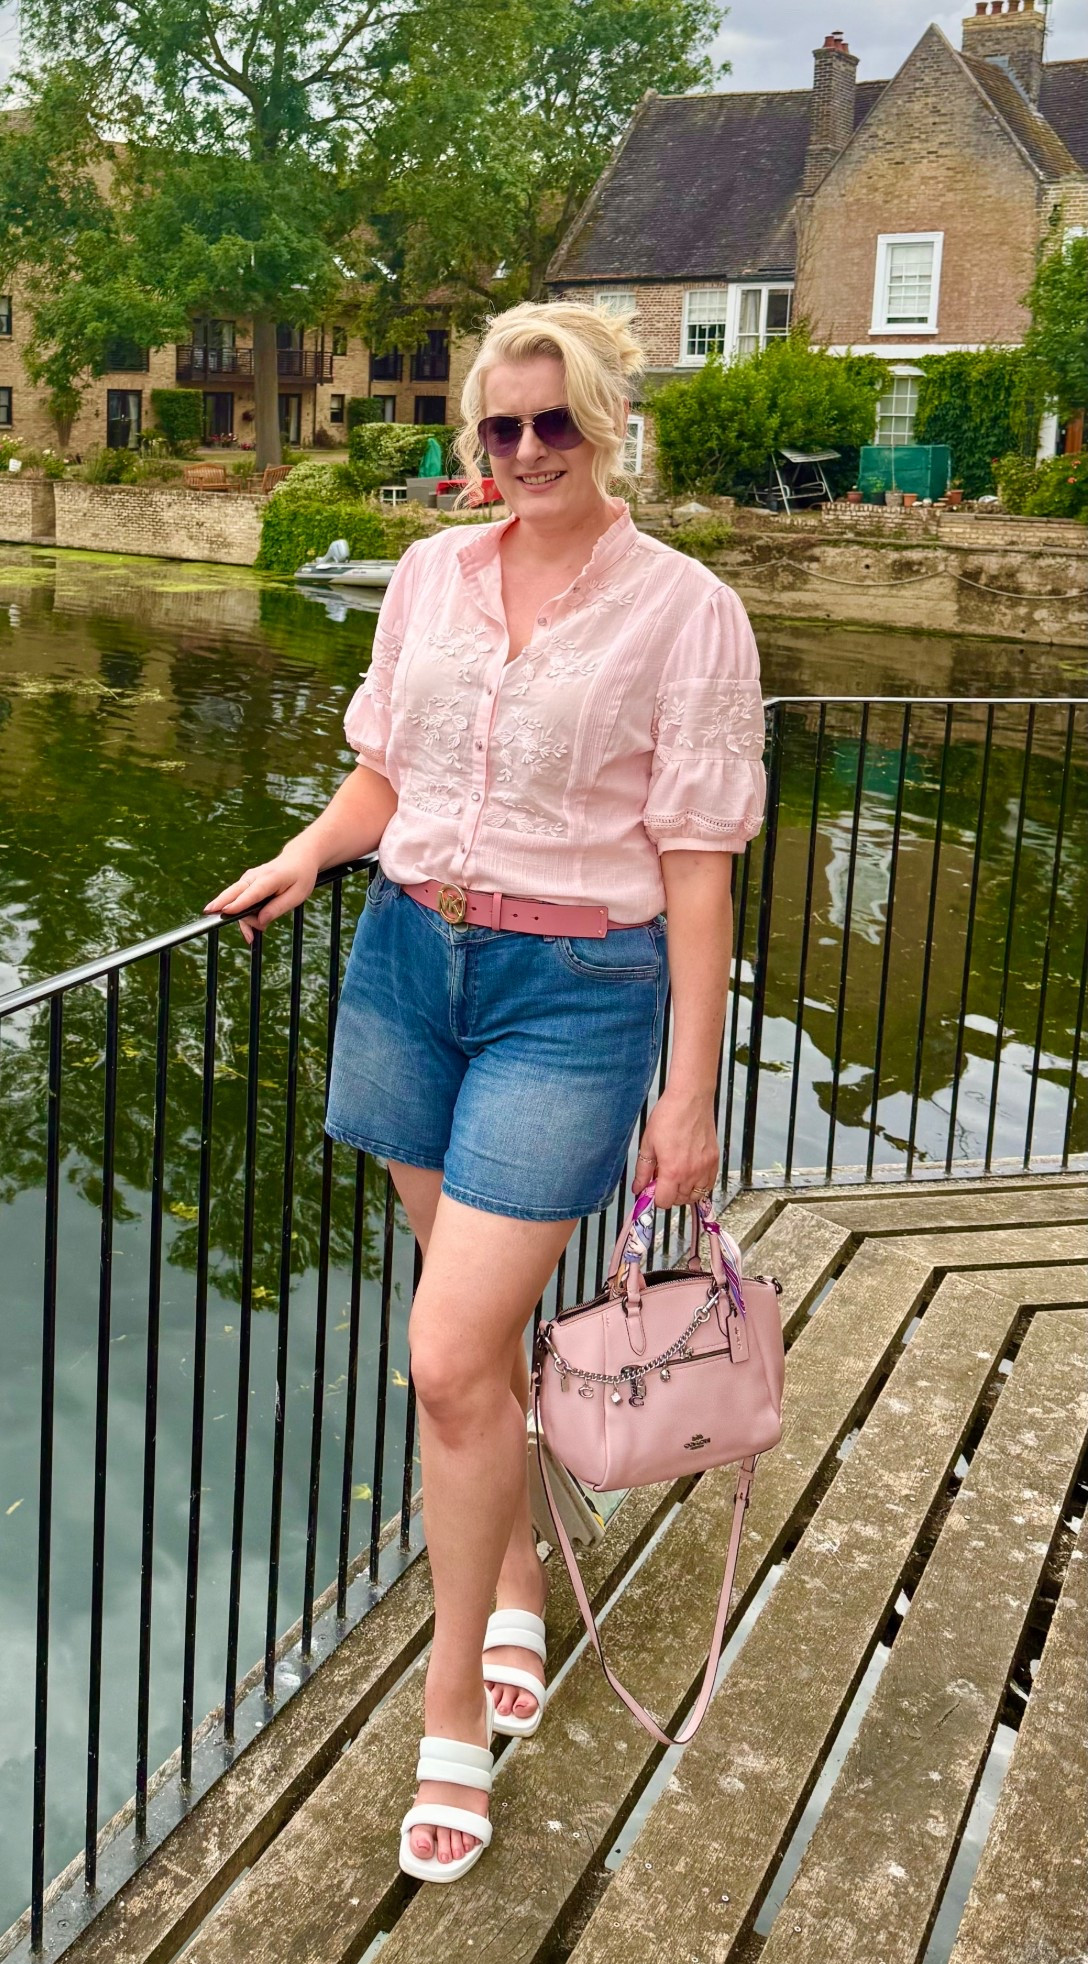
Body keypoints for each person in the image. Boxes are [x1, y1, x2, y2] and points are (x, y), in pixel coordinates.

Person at [204, 301, 765, 1881]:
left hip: (573, 999)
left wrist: (690, 1089)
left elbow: (698, 867)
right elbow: (394, 773)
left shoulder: (688, 612)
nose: (526, 454)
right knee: (480, 1345)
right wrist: (308, 855)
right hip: (404, 965)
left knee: (447, 1353)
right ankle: (514, 1576)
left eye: (556, 424)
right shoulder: (432, 577)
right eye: (500, 429)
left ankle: (452, 1710)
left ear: (609, 424)